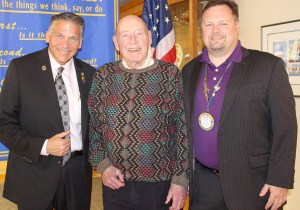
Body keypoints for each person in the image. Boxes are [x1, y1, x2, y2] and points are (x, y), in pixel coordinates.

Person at [182, 1, 297, 210]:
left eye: (223, 23)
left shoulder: (268, 66)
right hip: (203, 184)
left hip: (253, 185)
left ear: (237, 26)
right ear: (202, 30)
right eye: (208, 25)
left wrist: (280, 180)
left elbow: (286, 128)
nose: (215, 31)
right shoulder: (189, 71)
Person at [88, 15, 189, 210]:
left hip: (160, 186)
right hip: (114, 183)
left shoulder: (170, 74)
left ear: (150, 38)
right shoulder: (103, 75)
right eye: (125, 35)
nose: (132, 41)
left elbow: (183, 131)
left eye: (139, 34)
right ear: (116, 43)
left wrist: (180, 179)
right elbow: (94, 128)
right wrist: (104, 166)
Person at [0, 12, 95, 210]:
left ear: (80, 43)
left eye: (73, 38)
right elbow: (3, 123)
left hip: (77, 173)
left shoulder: (90, 74)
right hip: (34, 170)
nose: (65, 44)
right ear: (47, 36)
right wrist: (43, 146)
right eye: (59, 35)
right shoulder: (21, 69)